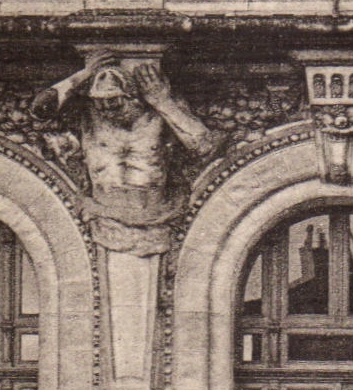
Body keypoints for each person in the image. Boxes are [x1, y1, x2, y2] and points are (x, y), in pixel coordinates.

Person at [29, 54, 217, 255]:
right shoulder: (88, 115)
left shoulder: (158, 114)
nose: (106, 108)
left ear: (132, 95)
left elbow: (204, 145)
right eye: (100, 101)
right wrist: (81, 76)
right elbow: (39, 111)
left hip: (156, 219)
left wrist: (162, 101)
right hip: (103, 218)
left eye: (114, 100)